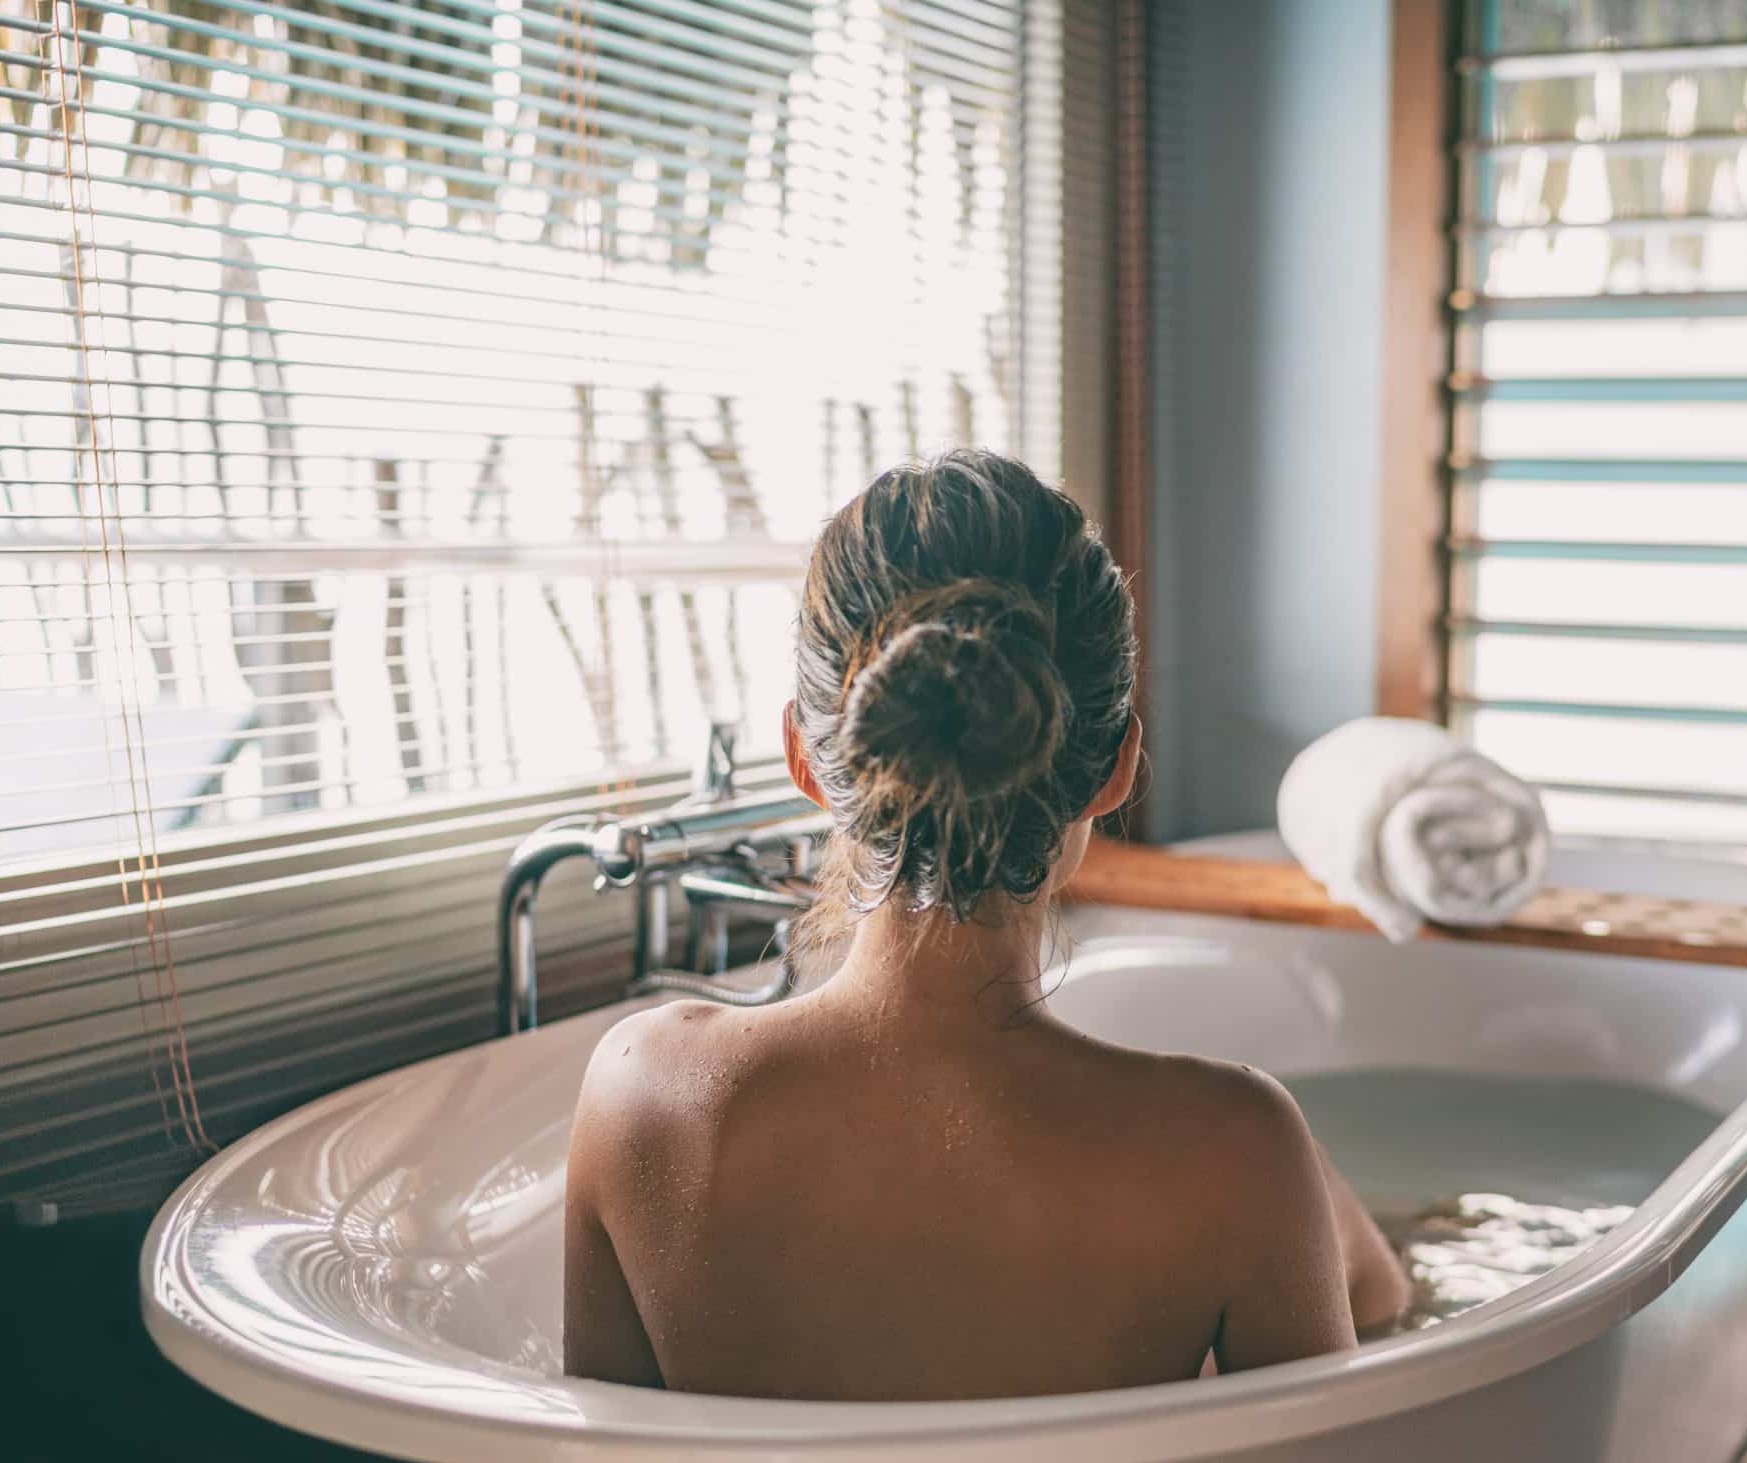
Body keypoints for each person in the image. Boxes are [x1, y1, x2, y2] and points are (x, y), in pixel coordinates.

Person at [564, 450, 1411, 1399]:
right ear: (1119, 765)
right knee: (1372, 1262)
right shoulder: (1235, 1144)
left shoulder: (638, 1093)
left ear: (806, 761)